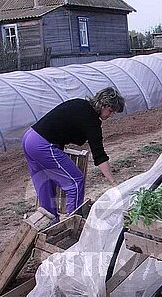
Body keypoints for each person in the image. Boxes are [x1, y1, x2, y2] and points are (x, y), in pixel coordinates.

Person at [22, 87, 125, 219]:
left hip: (29, 137)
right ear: (103, 105)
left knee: (45, 183)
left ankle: (50, 221)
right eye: (110, 111)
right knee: (75, 182)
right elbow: (99, 156)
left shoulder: (79, 104)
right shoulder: (91, 121)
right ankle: (73, 224)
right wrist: (114, 183)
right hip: (42, 144)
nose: (110, 115)